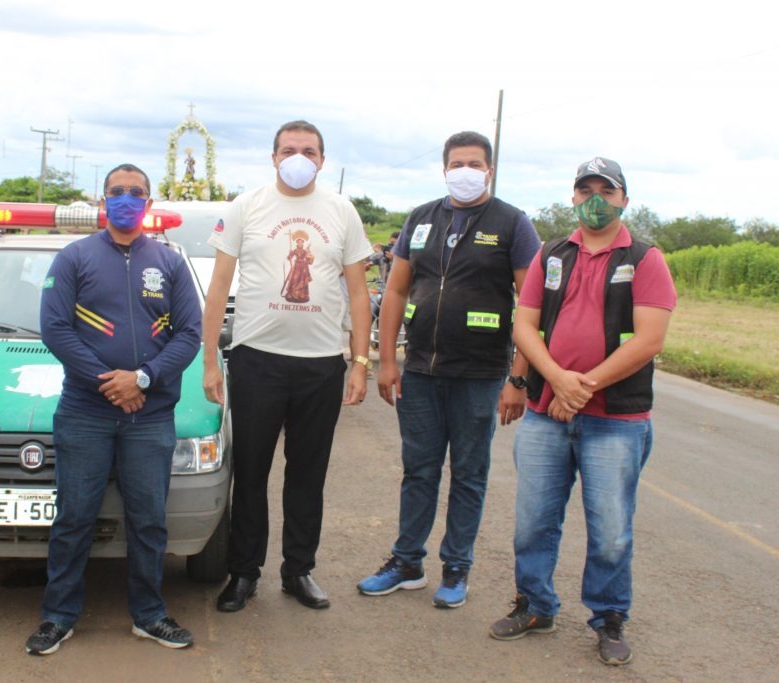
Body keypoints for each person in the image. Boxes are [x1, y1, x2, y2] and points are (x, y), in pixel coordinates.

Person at [488, 157, 676, 667]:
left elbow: (650, 338)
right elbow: (524, 325)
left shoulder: (644, 258)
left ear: (624, 199)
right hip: (547, 414)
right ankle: (535, 605)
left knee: (611, 527)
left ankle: (609, 617)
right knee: (533, 521)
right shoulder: (552, 254)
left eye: (606, 190)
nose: (595, 198)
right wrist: (556, 379)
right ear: (572, 196)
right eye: (585, 189)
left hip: (616, 420)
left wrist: (583, 386)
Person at [358, 131, 541, 609]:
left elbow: (533, 305)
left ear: (490, 170)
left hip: (480, 376)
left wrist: (518, 378)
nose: (465, 171)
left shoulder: (512, 224)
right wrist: (387, 359)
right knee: (418, 470)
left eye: (474, 163)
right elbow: (396, 291)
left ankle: (457, 568)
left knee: (468, 474)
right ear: (444, 169)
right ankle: (406, 563)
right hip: (420, 371)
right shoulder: (421, 219)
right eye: (457, 163)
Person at [26, 163, 202, 655]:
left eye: (136, 192)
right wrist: (111, 384)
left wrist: (143, 378)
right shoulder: (74, 257)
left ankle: (149, 615)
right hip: (86, 411)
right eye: (117, 191)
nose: (127, 198)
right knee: (74, 517)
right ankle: (58, 615)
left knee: (149, 520)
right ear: (102, 201)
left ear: (149, 201)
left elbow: (189, 332)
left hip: (149, 415)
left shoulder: (168, 262)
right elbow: (55, 328)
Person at [203, 120, 373, 613]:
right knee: (251, 473)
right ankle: (242, 572)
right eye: (289, 150)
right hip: (258, 362)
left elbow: (359, 293)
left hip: (321, 365)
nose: (298, 157)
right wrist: (210, 359)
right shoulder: (246, 207)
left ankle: (298, 570)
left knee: (307, 475)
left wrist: (359, 362)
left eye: (308, 151)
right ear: (273, 157)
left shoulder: (342, 212)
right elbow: (218, 288)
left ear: (322, 159)